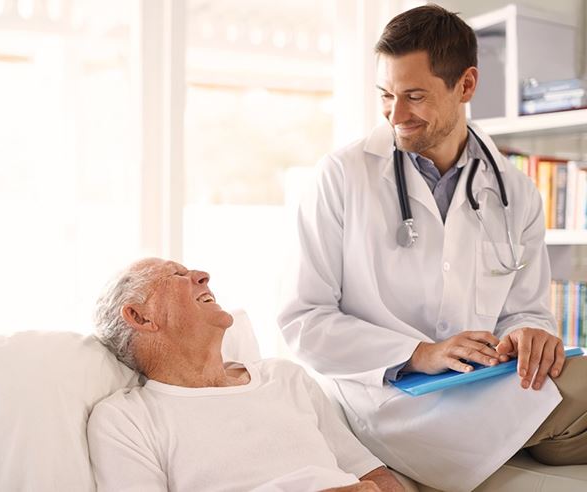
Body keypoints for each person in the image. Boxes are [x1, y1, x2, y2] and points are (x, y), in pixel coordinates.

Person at [278, 4, 587, 491]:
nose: (395, 115)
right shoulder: (341, 177)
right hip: (385, 400)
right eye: (385, 95)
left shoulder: (516, 190)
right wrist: (418, 352)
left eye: (414, 96)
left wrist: (529, 332)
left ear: (465, 85)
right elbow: (303, 320)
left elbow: (527, 310)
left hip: (483, 385)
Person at [87, 257, 405, 492]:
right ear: (139, 316)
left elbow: (374, 475)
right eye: (177, 274)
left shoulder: (285, 378)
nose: (202, 275)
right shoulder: (127, 419)